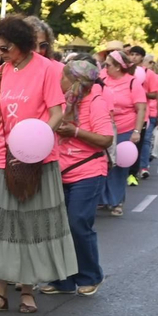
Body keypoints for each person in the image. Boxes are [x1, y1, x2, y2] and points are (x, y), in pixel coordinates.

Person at [0, 15, 76, 313]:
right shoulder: (0, 74)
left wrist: (37, 142)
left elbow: (57, 112)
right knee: (2, 226)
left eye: (4, 48)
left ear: (21, 46)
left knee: (29, 226)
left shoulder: (46, 69)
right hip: (5, 160)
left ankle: (28, 292)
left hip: (37, 160)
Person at [42, 56, 112, 296]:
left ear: (75, 82)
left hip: (88, 171)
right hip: (59, 171)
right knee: (58, 227)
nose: (58, 79)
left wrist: (76, 131)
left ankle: (91, 275)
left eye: (63, 76)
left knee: (77, 223)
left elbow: (106, 140)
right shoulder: (58, 102)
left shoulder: (96, 102)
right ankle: (63, 280)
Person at [100, 49, 146, 216]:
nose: (105, 68)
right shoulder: (102, 79)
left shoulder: (132, 83)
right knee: (103, 164)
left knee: (119, 165)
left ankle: (117, 201)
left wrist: (136, 131)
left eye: (108, 65)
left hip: (125, 129)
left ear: (118, 67)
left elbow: (141, 108)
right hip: (104, 128)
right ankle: (103, 199)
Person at [128, 45, 158, 178]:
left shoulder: (149, 74)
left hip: (144, 113)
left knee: (143, 140)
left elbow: (157, 95)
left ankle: (142, 167)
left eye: (137, 55)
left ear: (142, 57)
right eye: (131, 54)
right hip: (126, 113)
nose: (133, 57)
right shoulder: (124, 71)